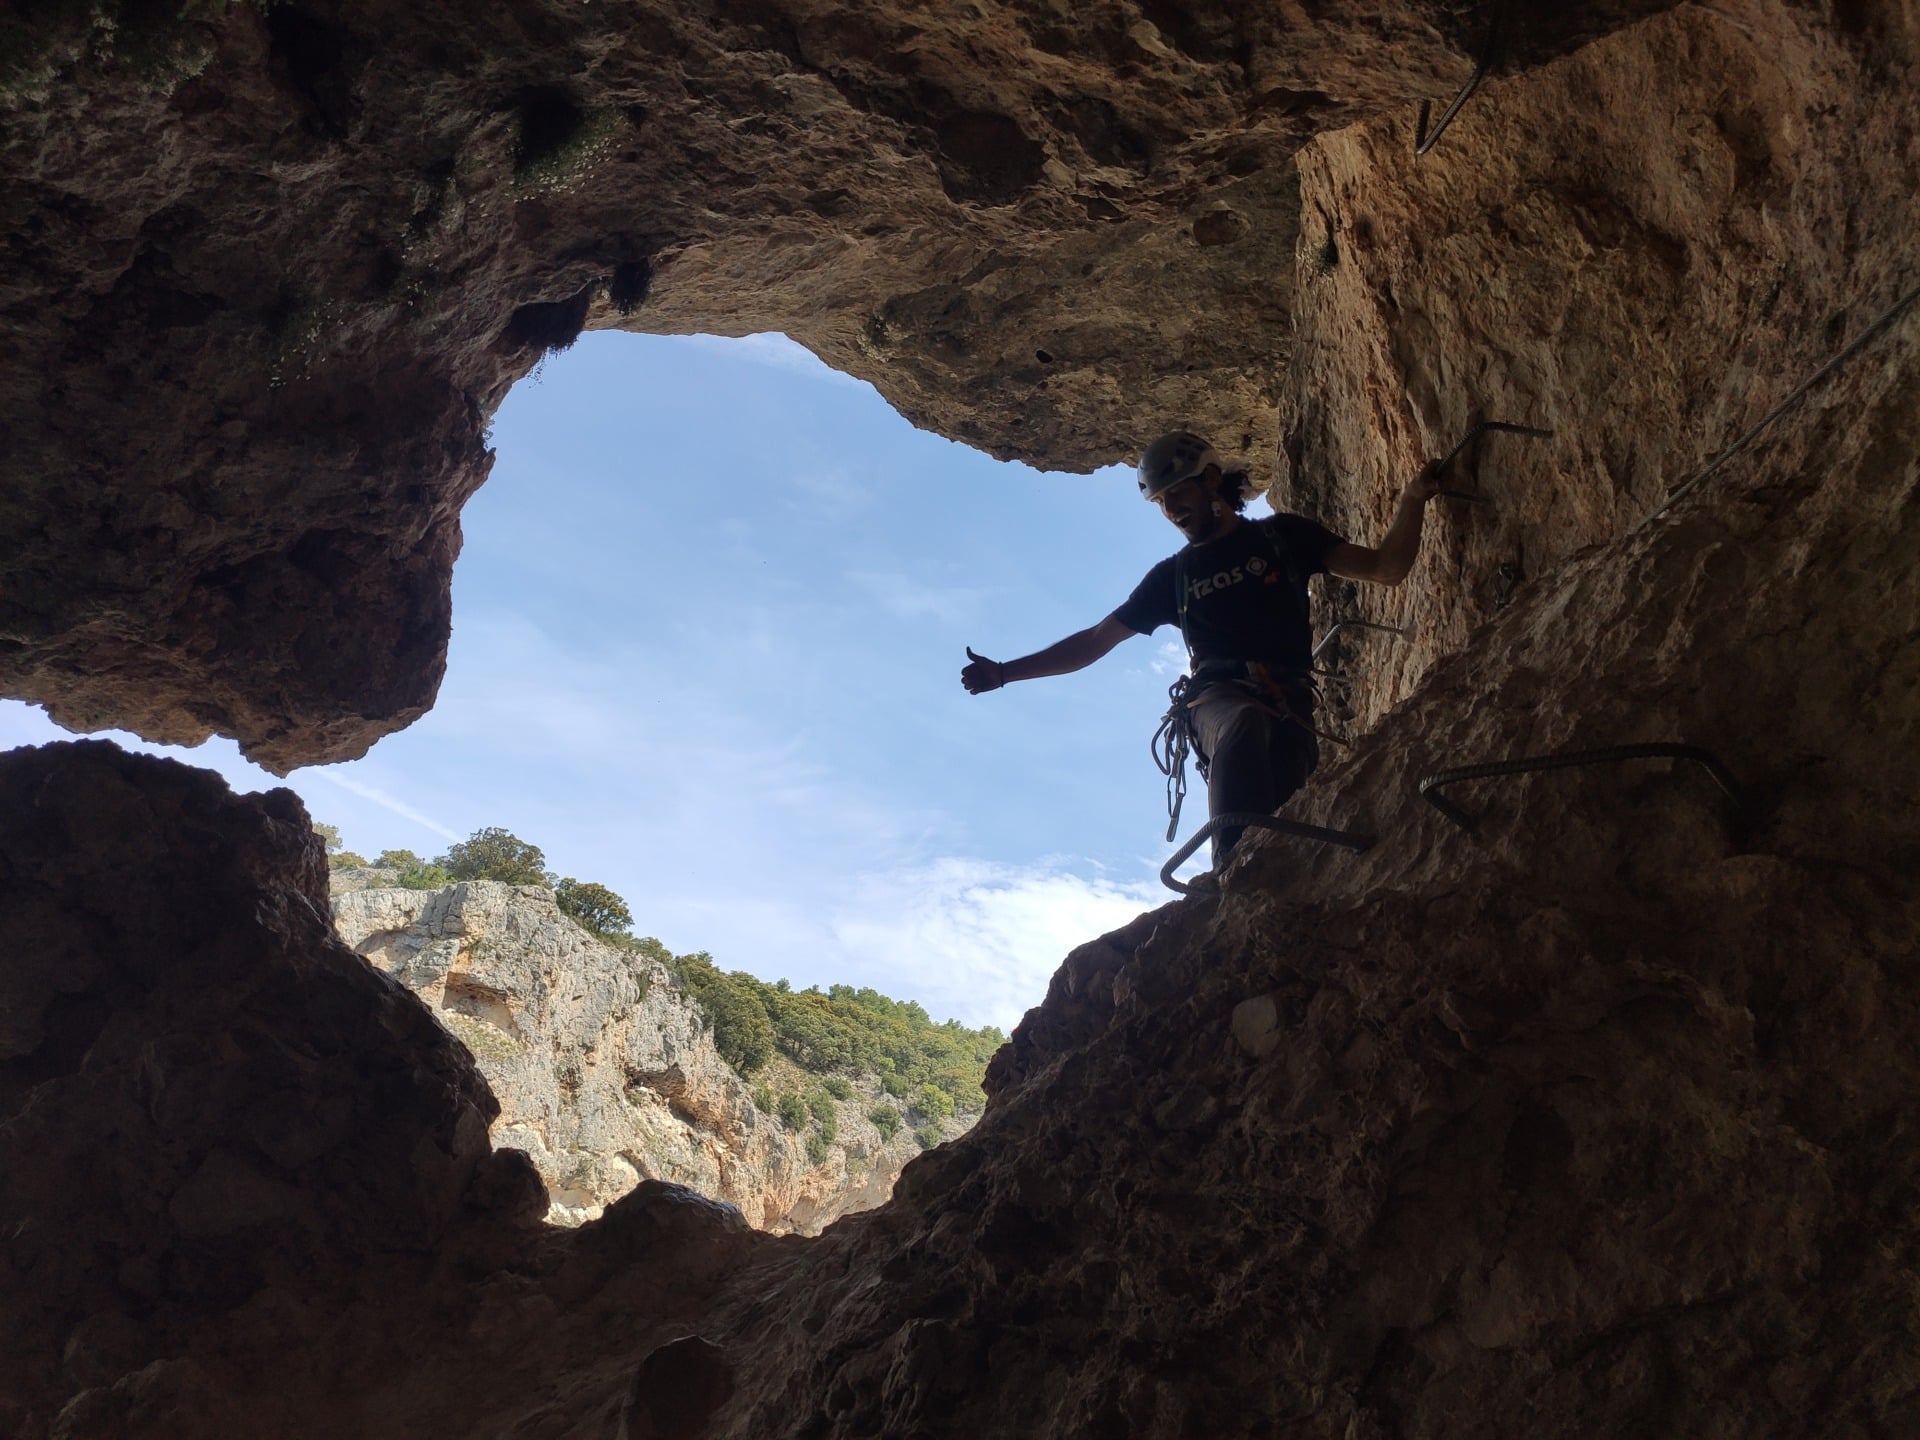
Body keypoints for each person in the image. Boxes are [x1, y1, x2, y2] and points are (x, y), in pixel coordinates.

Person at [960, 430, 1441, 869]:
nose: (1171, 509)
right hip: (1217, 701)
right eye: (1162, 502)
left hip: (1290, 710)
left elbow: (1386, 567)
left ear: (1210, 479)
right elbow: (1094, 642)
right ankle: (1227, 871)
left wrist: (1415, 498)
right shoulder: (1173, 577)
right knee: (1243, 723)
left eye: (1178, 493)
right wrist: (1005, 673)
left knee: (1288, 835)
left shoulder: (1285, 538)